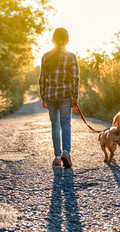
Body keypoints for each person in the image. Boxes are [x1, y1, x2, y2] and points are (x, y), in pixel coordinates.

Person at [39, 27, 80, 168]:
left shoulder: (45, 56)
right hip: (65, 95)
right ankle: (66, 152)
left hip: (50, 95)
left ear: (52, 40)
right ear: (67, 41)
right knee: (65, 123)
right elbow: (75, 78)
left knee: (55, 124)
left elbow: (42, 79)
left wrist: (43, 97)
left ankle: (57, 157)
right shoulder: (70, 56)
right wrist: (75, 98)